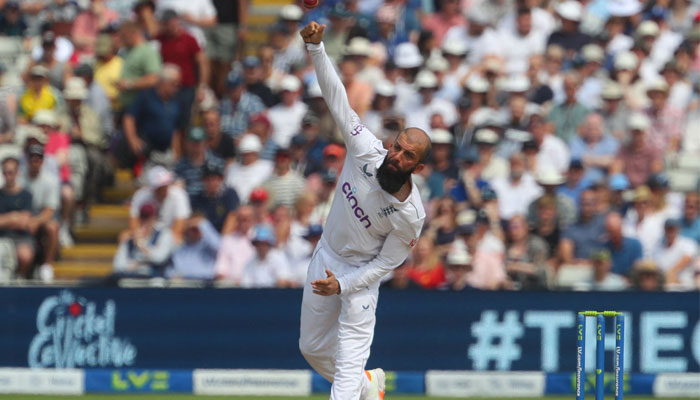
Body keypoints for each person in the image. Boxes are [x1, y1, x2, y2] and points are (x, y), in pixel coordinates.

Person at [299, 21, 431, 400]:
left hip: (361, 278)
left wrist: (344, 285)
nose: (398, 156)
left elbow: (384, 266)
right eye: (398, 147)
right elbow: (336, 97)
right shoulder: (365, 149)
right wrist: (317, 48)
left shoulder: (411, 215)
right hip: (326, 254)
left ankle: (354, 385)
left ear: (417, 168)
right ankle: (368, 385)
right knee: (310, 347)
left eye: (408, 156)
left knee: (344, 372)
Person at [113, 203, 175, 277]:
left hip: (155, 280)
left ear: (154, 218)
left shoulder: (164, 234)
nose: (145, 221)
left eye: (148, 217)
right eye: (143, 217)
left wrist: (141, 245)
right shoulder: (129, 238)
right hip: (132, 279)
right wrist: (133, 266)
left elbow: (159, 258)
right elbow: (118, 266)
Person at [0, 155, 34, 278]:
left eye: (11, 172)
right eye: (5, 172)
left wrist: (5, 219)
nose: (8, 175)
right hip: (2, 237)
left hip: (21, 238)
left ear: (17, 172)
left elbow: (24, 222)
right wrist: (13, 216)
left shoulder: (26, 195)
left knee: (24, 255)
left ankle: (18, 277)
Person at [169, 216, 220, 280]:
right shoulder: (180, 249)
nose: (194, 232)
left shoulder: (208, 246)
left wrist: (204, 224)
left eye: (196, 229)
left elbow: (220, 247)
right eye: (192, 229)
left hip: (206, 282)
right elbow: (171, 270)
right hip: (186, 284)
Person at [215, 205, 255, 284]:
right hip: (231, 287)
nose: (244, 222)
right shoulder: (227, 240)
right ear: (237, 220)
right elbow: (221, 269)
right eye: (242, 219)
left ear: (252, 219)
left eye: (247, 218)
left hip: (254, 286)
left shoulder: (260, 240)